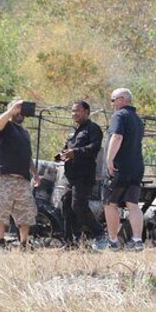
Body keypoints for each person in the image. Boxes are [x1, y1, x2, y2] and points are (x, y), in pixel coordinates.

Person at [94, 88, 145, 251]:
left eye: (113, 100)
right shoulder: (138, 119)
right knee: (133, 204)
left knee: (110, 203)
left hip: (119, 167)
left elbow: (117, 136)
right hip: (136, 167)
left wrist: (109, 160)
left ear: (122, 99)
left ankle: (113, 241)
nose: (112, 104)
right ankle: (137, 241)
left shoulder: (119, 115)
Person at [0, 99, 42, 249]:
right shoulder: (5, 127)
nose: (20, 114)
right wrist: (11, 110)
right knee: (0, 209)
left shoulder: (24, 133)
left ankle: (24, 243)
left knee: (26, 211)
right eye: (17, 110)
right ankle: (0, 242)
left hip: (22, 179)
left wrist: (35, 174)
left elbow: (28, 155)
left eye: (22, 111)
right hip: (3, 177)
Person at [57, 100, 104, 248]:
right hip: (69, 175)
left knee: (78, 205)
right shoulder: (72, 131)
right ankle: (70, 241)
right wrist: (61, 154)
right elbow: (66, 148)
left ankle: (99, 233)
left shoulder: (93, 129)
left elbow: (94, 148)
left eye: (77, 110)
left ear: (87, 112)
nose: (74, 114)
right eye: (72, 111)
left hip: (84, 175)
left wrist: (75, 153)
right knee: (66, 204)